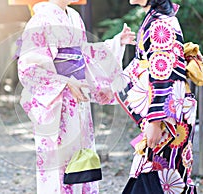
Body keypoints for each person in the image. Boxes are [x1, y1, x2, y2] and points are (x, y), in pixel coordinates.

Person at [17, 0, 135, 193]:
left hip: (78, 99)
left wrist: (116, 43)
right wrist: (65, 82)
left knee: (82, 159)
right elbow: (29, 68)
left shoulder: (74, 17)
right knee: (59, 164)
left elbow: (84, 55)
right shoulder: (41, 20)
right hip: (57, 101)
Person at [115, 0, 198, 193]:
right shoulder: (156, 18)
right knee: (160, 176)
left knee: (161, 176)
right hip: (167, 113)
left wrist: (155, 121)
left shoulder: (161, 23)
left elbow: (164, 73)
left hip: (167, 117)